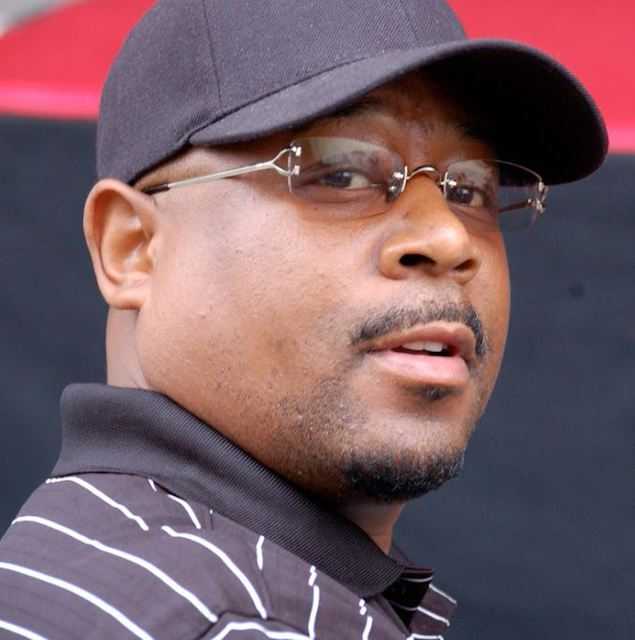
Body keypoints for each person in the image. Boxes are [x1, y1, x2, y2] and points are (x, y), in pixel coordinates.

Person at [0, 1, 607, 638]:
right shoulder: (230, 622)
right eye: (341, 172)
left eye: (470, 188)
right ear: (133, 248)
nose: (448, 237)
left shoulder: (83, 569)